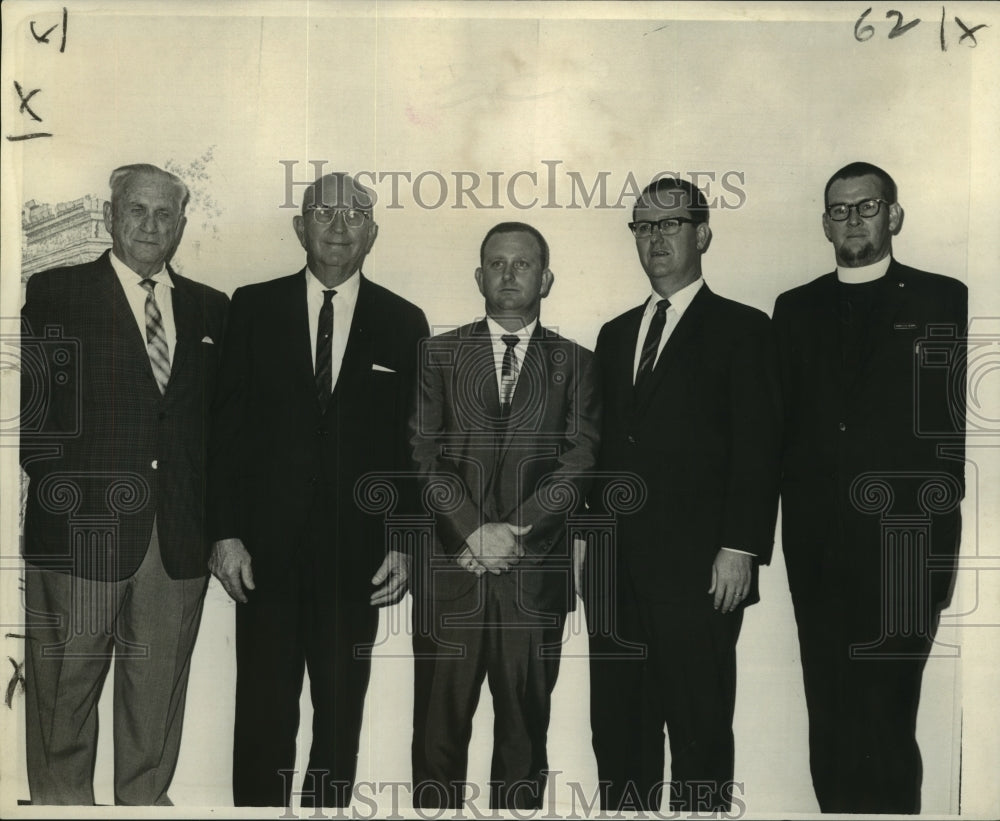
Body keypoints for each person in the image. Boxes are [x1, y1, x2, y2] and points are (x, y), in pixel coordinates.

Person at [208, 172, 429, 807]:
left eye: (354, 215)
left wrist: (407, 542)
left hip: (356, 561)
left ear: (373, 233)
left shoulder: (403, 320)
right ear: (299, 227)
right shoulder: (251, 307)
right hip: (262, 558)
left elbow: (414, 449)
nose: (338, 227)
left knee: (340, 721)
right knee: (262, 717)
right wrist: (224, 533)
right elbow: (223, 434)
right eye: (323, 214)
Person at [19, 164, 228, 805]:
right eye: (136, 210)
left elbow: (218, 434)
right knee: (63, 709)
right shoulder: (56, 293)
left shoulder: (211, 308)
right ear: (111, 215)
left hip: (176, 548)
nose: (150, 226)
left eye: (165, 214)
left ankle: (144, 808)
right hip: (80, 541)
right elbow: (36, 431)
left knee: (156, 712)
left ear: (182, 225)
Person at [772, 161, 967, 813]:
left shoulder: (944, 300)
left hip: (906, 549)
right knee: (827, 719)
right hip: (819, 550)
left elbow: (954, 434)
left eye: (866, 206)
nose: (852, 219)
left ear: (894, 215)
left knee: (886, 721)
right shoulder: (794, 309)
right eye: (839, 209)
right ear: (825, 222)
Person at [585, 177, 781, 813]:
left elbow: (759, 448)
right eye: (643, 227)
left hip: (702, 571)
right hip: (616, 571)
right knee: (618, 732)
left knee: (698, 731)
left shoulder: (744, 329)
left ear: (702, 234)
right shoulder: (614, 335)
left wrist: (740, 546)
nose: (654, 238)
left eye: (669, 224)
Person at [409, 222, 600, 810]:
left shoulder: (578, 363)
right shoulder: (438, 354)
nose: (509, 274)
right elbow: (421, 451)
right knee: (437, 737)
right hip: (451, 574)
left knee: (524, 738)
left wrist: (511, 534)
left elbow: (580, 458)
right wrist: (473, 529)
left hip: (533, 577)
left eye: (523, 264)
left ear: (546, 277)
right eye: (496, 263)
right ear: (478, 276)